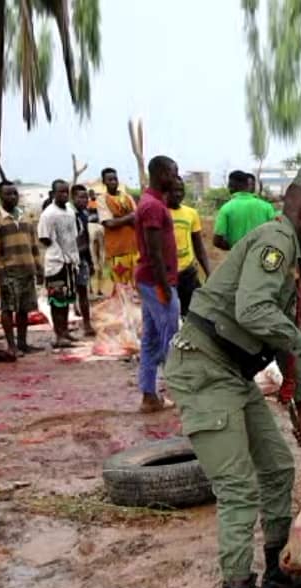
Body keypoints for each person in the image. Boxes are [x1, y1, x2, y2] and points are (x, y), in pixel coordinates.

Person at [163, 166, 301, 588]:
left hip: (231, 372)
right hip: (205, 368)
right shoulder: (276, 238)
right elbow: (253, 313)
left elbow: (281, 332)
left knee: (277, 465)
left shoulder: (295, 256)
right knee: (238, 491)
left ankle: (277, 575)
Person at [134, 157, 182, 414]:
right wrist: (165, 287)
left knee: (152, 339)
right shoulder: (153, 207)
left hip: (151, 281)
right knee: (170, 339)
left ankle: (150, 395)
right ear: (162, 173)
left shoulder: (152, 203)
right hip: (156, 282)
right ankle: (179, 392)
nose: (176, 178)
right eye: (174, 173)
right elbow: (154, 252)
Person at [0, 181, 43, 357]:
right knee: (8, 308)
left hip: (27, 269)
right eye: (8, 194)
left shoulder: (25, 217)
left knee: (24, 309)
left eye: (14, 194)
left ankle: (23, 343)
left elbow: (34, 244)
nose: (12, 197)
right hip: (9, 271)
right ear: (0, 196)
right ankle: (11, 346)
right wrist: (0, 270)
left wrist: (38, 267)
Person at [37, 179, 81, 348]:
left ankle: (65, 331)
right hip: (56, 264)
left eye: (66, 192)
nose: (64, 195)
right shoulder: (49, 214)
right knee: (57, 300)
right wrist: (57, 251)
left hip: (71, 262)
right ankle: (58, 335)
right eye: (60, 192)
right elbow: (44, 237)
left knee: (67, 299)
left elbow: (73, 234)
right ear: (53, 193)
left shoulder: (70, 211)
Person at [168, 178, 212, 316]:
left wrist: (209, 272)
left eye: (181, 190)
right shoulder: (159, 212)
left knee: (195, 314)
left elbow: (198, 246)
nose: (178, 194)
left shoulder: (191, 213)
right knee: (172, 317)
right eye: (174, 190)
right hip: (167, 275)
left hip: (188, 273)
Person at [97, 168, 140, 287]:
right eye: (109, 180)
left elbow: (137, 219)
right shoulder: (102, 199)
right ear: (104, 182)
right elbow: (109, 224)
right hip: (117, 250)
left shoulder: (127, 197)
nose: (113, 182)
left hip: (134, 248)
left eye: (115, 179)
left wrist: (119, 219)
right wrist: (129, 217)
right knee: (121, 288)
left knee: (138, 285)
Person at [213, 170, 276, 251]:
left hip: (238, 260)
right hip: (261, 257)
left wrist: (235, 248)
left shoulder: (226, 208)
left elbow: (217, 241)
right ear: (247, 185)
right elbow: (275, 234)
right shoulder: (267, 207)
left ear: (231, 186)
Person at [70, 185, 97, 337]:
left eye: (86, 197)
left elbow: (85, 238)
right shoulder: (68, 215)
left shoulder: (84, 214)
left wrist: (90, 261)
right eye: (81, 197)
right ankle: (63, 329)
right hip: (68, 259)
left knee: (83, 291)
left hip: (82, 257)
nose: (84, 200)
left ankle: (87, 324)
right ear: (73, 198)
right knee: (66, 293)